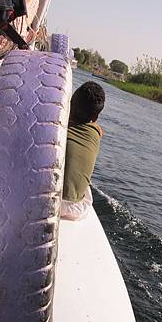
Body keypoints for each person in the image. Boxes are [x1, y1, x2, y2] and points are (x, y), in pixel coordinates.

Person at [61, 81, 105, 221]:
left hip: (46, 199)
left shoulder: (57, 121)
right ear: (95, 118)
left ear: (70, 102)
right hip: (75, 209)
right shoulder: (96, 133)